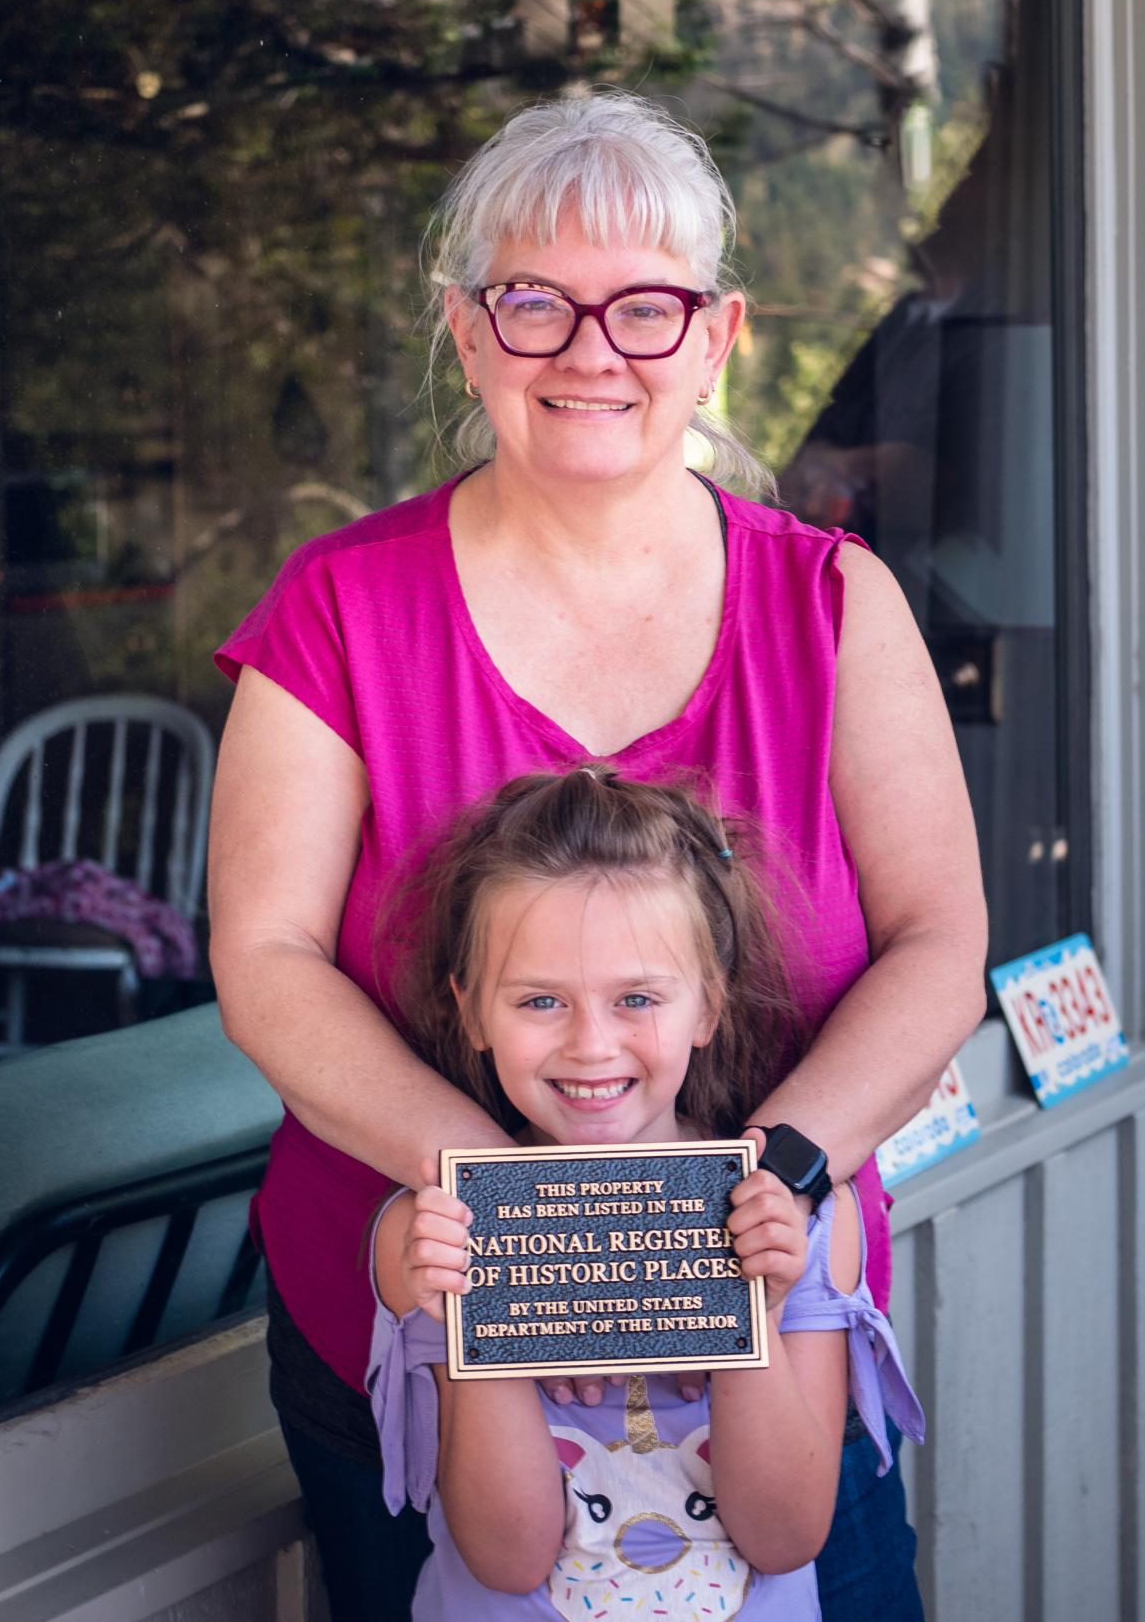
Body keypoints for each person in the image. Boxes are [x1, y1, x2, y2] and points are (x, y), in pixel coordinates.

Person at [208, 90, 986, 1621]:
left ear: (716, 336)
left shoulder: (831, 604)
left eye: (643, 307)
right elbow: (264, 958)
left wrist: (775, 1178)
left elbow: (939, 945)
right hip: (421, 1332)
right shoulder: (339, 608)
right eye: (531, 303)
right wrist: (505, 1210)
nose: (588, 352)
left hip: (769, 1334)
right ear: (464, 330)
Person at [368, 766, 924, 1620]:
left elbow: (785, 1535)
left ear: (709, 1006)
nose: (592, 1046)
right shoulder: (431, 1233)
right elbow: (508, 1555)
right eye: (540, 1001)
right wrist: (473, 1321)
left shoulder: (800, 1221)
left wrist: (756, 1311)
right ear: (471, 1012)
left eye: (636, 998)